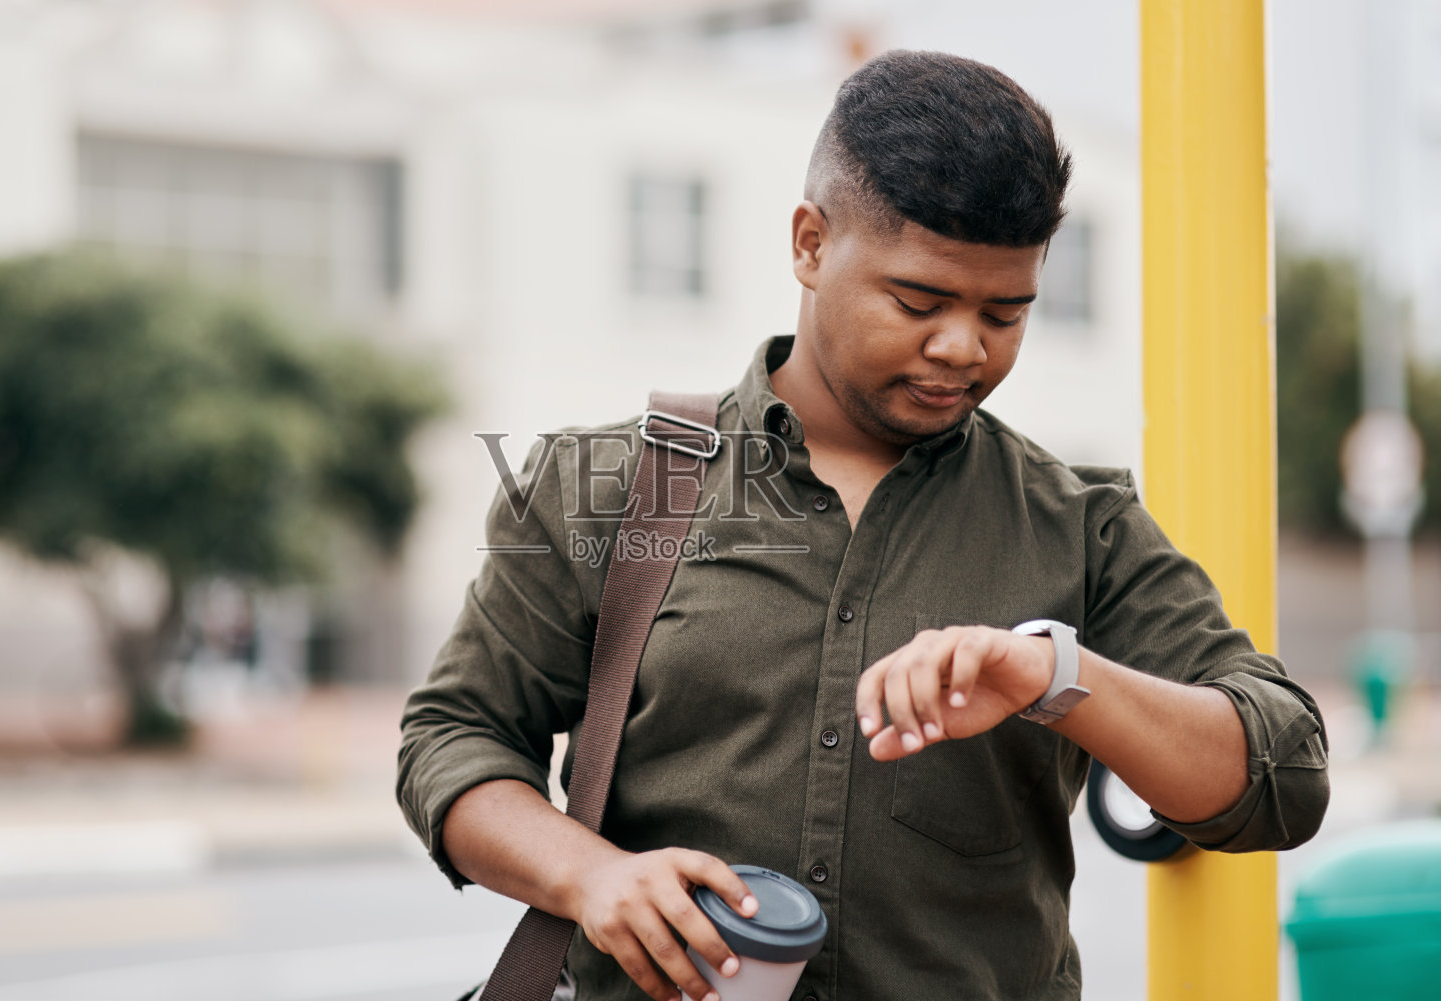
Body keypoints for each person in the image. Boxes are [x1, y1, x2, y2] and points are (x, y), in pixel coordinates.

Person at [398, 50, 1329, 1001]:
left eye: (1006, 313)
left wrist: (1055, 674)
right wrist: (589, 875)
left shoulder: (1079, 527)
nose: (962, 346)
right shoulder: (606, 486)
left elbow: (1284, 771)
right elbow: (451, 738)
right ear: (809, 243)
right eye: (918, 302)